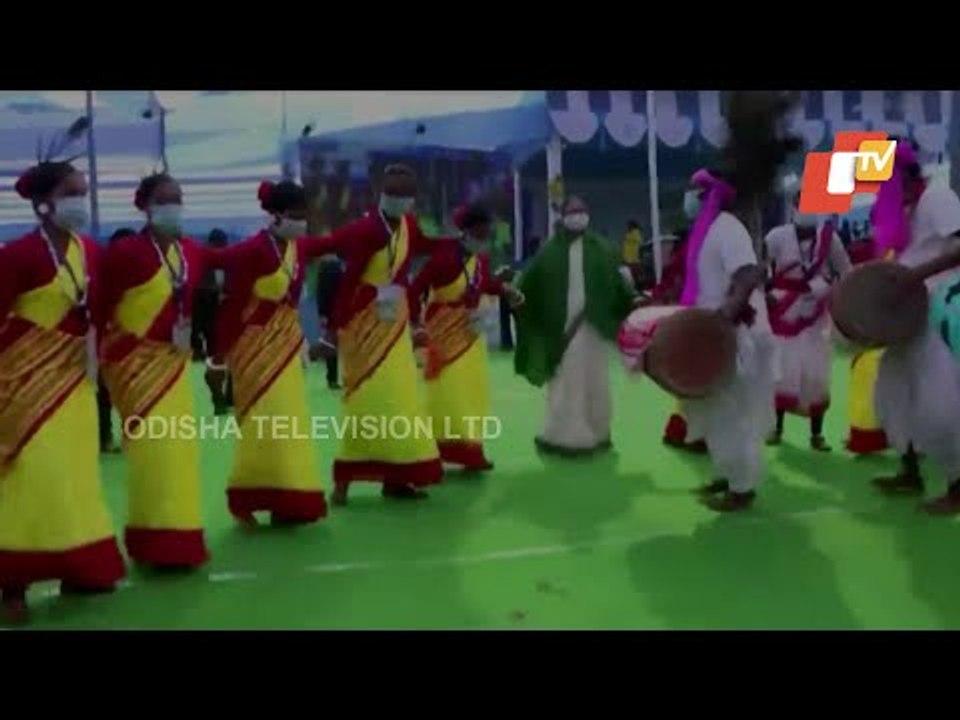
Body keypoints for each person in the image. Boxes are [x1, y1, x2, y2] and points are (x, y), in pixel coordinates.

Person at [1, 161, 125, 623]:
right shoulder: (15, 256)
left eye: (83, 190)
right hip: (23, 385)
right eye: (72, 192)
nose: (81, 200)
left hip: (75, 383)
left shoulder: (90, 252)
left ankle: (80, 567)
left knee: (76, 477)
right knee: (31, 478)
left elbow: (100, 311)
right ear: (44, 203)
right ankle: (12, 583)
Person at [96, 172, 225, 568]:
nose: (174, 206)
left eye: (178, 198)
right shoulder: (126, 253)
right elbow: (100, 307)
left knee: (180, 451)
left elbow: (231, 260)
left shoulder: (190, 251)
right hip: (135, 368)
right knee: (155, 452)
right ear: (145, 206)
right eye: (165, 199)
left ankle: (178, 539)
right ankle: (155, 541)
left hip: (174, 367)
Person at [306, 164, 445, 505]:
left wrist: (460, 244)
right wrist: (332, 332)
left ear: (413, 200)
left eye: (405, 196)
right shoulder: (367, 230)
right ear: (381, 195)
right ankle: (344, 482)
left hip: (395, 326)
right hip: (363, 327)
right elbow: (348, 282)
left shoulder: (410, 225)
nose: (399, 201)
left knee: (399, 402)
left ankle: (397, 479)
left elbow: (425, 244)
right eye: (393, 194)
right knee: (366, 403)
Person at [211, 181, 329, 526]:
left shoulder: (298, 248)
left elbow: (331, 244)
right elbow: (232, 305)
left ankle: (289, 497)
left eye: (304, 216)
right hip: (252, 348)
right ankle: (250, 496)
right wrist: (219, 355)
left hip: (287, 345)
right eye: (294, 216)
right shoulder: (252, 250)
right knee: (263, 423)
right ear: (274, 216)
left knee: (290, 423)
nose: (300, 222)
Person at [866, 143, 960, 514]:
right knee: (892, 391)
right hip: (911, 317)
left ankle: (957, 484)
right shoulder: (906, 212)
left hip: (940, 310)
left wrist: (915, 276)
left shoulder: (937, 197)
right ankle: (910, 469)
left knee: (940, 400)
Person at [678, 168, 778, 512]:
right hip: (711, 334)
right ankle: (727, 474)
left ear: (710, 195)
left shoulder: (728, 229)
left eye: (695, 191)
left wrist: (726, 314)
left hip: (730, 335)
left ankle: (743, 488)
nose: (689, 197)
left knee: (732, 412)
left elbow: (749, 273)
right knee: (714, 410)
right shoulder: (706, 232)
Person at [514, 196, 637, 455]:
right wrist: (516, 298)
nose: (577, 215)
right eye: (572, 211)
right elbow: (527, 285)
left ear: (588, 214)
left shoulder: (604, 249)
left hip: (594, 328)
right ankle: (565, 436)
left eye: (581, 210)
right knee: (566, 381)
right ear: (563, 216)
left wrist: (632, 300)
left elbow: (618, 286)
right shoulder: (549, 251)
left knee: (596, 380)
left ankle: (598, 431)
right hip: (562, 331)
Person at [408, 203, 524, 471]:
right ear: (467, 231)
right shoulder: (443, 257)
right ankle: (433, 450)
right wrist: (416, 324)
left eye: (487, 235)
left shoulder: (480, 260)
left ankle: (472, 451)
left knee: (473, 392)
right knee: (445, 395)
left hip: (470, 336)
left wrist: (505, 289)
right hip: (441, 333)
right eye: (480, 234)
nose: (484, 240)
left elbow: (482, 284)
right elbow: (415, 289)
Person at [765, 187, 851, 450]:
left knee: (817, 375)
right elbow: (760, 267)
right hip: (782, 312)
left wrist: (835, 291)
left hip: (815, 316)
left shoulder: (830, 239)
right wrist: (766, 294)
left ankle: (817, 435)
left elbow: (845, 271)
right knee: (781, 373)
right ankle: (775, 429)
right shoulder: (776, 237)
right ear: (794, 207)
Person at [97, 227, 136, 454]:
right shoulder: (101, 274)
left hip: (136, 344)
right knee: (103, 394)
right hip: (106, 342)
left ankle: (132, 437)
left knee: (133, 393)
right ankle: (104, 437)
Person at [313, 249, 344, 390]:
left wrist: (322, 313)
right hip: (338, 312)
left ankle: (332, 378)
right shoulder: (336, 267)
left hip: (332, 312)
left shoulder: (325, 269)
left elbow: (321, 293)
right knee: (334, 345)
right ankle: (334, 378)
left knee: (332, 345)